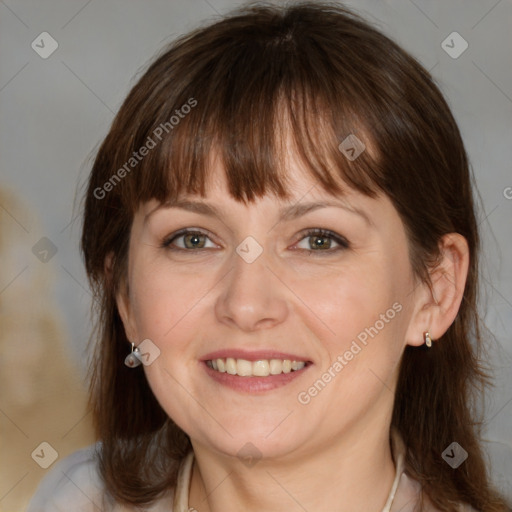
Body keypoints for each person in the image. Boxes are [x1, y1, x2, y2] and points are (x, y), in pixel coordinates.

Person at [27, 2, 511, 511]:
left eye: (319, 240)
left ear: (434, 291)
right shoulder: (72, 497)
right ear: (124, 294)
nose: (246, 304)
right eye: (192, 239)